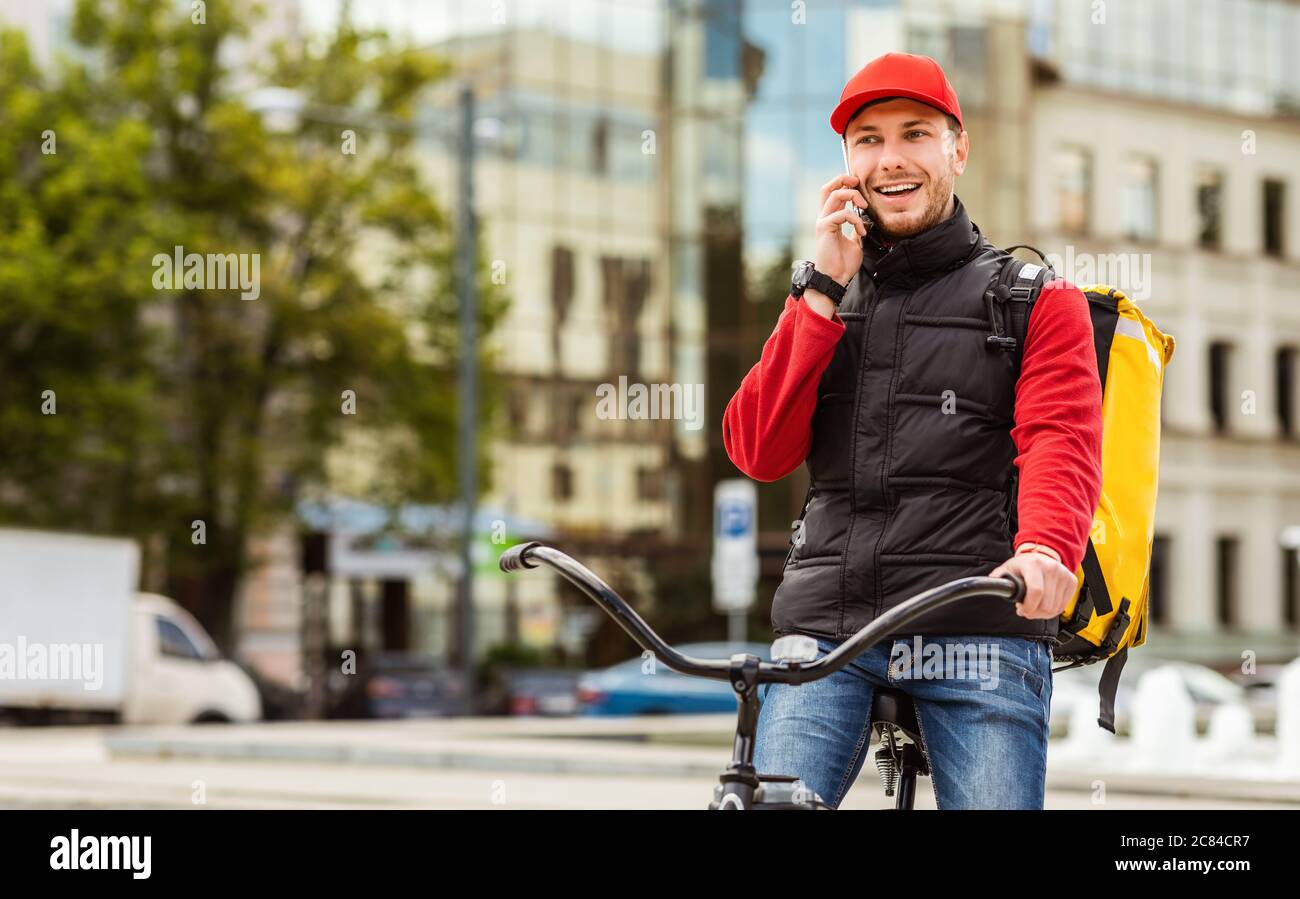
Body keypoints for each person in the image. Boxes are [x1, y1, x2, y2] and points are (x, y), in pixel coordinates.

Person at [721, 52, 1104, 809]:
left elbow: (1061, 438)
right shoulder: (824, 296)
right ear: (845, 164)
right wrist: (821, 294)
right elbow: (757, 451)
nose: (890, 159)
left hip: (974, 622)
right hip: (827, 627)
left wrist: (1045, 550)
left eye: (915, 134)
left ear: (957, 149)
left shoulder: (1033, 300)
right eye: (867, 139)